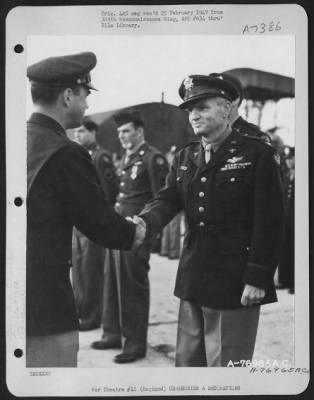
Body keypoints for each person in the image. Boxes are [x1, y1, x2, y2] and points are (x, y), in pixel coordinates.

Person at [139, 74, 284, 367]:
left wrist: (257, 277)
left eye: (202, 107)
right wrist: (143, 224)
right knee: (189, 363)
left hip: (235, 281)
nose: (194, 115)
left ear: (227, 109)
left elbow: (270, 220)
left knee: (226, 367)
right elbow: (168, 200)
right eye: (190, 109)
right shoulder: (185, 156)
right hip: (193, 276)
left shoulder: (256, 153)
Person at [26, 52, 145, 367]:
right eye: (85, 94)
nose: (88, 104)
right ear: (68, 96)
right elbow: (98, 221)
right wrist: (133, 233)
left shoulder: (17, 140)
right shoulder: (65, 152)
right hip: (44, 304)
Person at [91, 111, 169, 363]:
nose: (121, 136)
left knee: (132, 288)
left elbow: (162, 200)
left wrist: (149, 236)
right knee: (112, 282)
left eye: (126, 131)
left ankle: (135, 344)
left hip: (137, 233)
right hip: (119, 231)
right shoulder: (128, 157)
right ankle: (112, 333)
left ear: (139, 132)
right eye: (119, 132)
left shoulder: (152, 158)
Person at [72, 118, 119, 331]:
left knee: (91, 272)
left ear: (93, 133)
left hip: (92, 224)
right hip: (78, 224)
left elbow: (109, 191)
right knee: (79, 271)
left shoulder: (101, 157)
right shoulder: (78, 156)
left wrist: (101, 220)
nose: (77, 135)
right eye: (76, 132)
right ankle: (81, 310)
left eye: (82, 131)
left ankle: (93, 316)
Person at [209, 72, 271, 142]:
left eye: (217, 97)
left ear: (235, 100)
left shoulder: (255, 137)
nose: (211, 103)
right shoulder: (208, 135)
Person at [160, 145, 182, 259]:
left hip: (167, 197)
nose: (170, 156)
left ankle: (166, 250)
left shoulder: (166, 167)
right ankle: (172, 251)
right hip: (171, 197)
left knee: (169, 226)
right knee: (172, 226)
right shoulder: (176, 167)